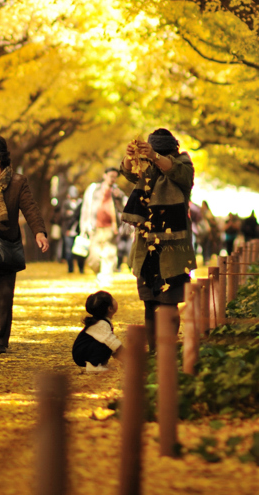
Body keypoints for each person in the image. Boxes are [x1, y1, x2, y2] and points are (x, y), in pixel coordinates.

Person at [119, 128, 196, 351]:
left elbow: (181, 175)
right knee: (150, 301)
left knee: (170, 302)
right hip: (146, 244)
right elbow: (128, 172)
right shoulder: (146, 167)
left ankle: (168, 350)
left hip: (174, 247)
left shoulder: (183, 163)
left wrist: (154, 156)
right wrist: (130, 155)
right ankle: (154, 351)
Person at [0, 136, 49, 353]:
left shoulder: (17, 182)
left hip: (6, 245)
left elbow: (31, 208)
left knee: (4, 297)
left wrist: (39, 233)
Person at [79, 168, 125, 283]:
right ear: (105, 175)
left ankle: (105, 277)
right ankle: (98, 272)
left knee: (109, 255)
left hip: (111, 229)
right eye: (111, 176)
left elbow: (125, 208)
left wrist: (119, 197)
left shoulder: (117, 192)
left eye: (115, 177)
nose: (113, 179)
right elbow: (86, 207)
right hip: (95, 228)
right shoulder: (94, 189)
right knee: (94, 257)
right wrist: (84, 225)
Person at [72, 290, 124, 372]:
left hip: (84, 351)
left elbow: (114, 349)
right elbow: (114, 344)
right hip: (82, 353)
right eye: (113, 299)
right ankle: (93, 366)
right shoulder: (101, 324)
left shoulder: (102, 322)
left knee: (108, 342)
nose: (115, 300)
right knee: (107, 342)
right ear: (110, 309)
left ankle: (98, 364)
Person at [61, 185, 85, 274]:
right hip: (68, 231)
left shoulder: (80, 203)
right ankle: (70, 269)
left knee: (80, 251)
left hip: (78, 231)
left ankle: (81, 268)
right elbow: (63, 215)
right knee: (69, 251)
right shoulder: (66, 203)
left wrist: (71, 213)